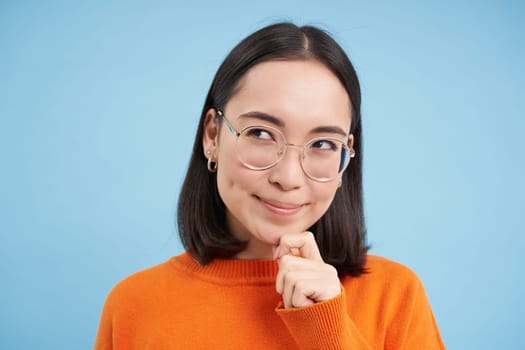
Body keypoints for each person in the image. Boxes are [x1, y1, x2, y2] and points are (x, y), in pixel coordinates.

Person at [94, 22, 445, 349]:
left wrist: (329, 330)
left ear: (345, 159)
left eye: (323, 144)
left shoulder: (396, 296)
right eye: (260, 133)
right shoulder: (133, 305)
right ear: (212, 136)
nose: (288, 178)